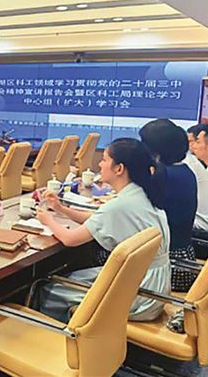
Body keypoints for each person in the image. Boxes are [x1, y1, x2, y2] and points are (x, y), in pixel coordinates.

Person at [33, 138, 171, 322]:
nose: (100, 164)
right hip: (154, 285)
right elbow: (98, 219)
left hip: (140, 295)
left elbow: (70, 239)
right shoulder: (140, 193)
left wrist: (48, 220)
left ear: (119, 168)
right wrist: (61, 209)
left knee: (50, 289)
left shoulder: (120, 205)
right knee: (74, 276)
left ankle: (56, 334)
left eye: (104, 159)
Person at [139, 119, 198, 292]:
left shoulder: (165, 176)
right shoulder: (184, 171)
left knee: (99, 252)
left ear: (155, 150)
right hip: (184, 258)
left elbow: (138, 211)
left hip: (169, 267)